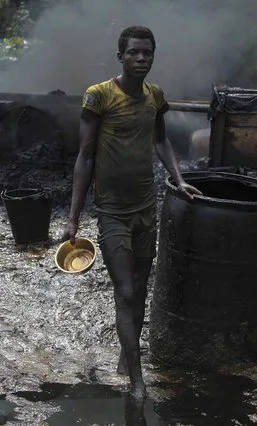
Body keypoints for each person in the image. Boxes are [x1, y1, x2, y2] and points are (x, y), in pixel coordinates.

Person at [62, 25, 202, 399]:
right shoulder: (99, 96)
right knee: (124, 289)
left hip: (146, 208)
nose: (141, 59)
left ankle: (127, 359)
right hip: (111, 212)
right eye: (134, 53)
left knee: (139, 287)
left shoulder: (155, 96)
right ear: (120, 56)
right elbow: (85, 156)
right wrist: (74, 216)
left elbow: (160, 140)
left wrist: (179, 178)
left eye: (147, 53)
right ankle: (137, 380)